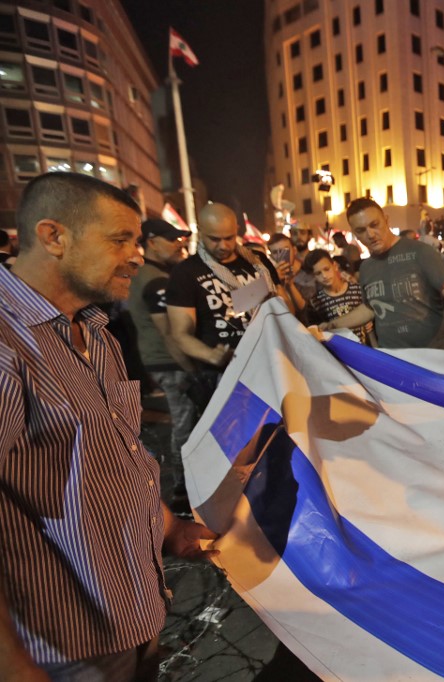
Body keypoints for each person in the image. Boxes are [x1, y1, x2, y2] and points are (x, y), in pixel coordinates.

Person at [0, 172, 217, 680]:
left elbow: (115, 464)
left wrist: (172, 529)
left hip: (132, 619)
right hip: (61, 651)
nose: (137, 255)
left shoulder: (95, 334)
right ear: (54, 236)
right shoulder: (7, 345)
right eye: (120, 239)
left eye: (138, 241)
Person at [166, 203, 285, 407]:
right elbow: (180, 333)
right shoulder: (185, 273)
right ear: (200, 232)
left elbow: (283, 309)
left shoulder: (258, 262)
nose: (222, 246)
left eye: (229, 238)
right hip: (223, 374)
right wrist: (211, 355)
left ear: (237, 230)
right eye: (214, 239)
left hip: (268, 363)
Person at [322, 198, 444, 349]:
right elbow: (370, 307)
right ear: (355, 234)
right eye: (361, 230)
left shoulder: (421, 252)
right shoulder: (366, 267)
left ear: (386, 220)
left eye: (374, 225)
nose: (370, 234)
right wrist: (333, 325)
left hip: (432, 358)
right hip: (392, 360)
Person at [126, 218, 195, 499]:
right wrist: (191, 367)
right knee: (185, 423)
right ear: (151, 242)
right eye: (172, 239)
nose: (179, 244)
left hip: (162, 358)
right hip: (170, 360)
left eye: (180, 239)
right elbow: (171, 333)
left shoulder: (151, 274)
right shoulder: (156, 281)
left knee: (184, 420)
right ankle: (183, 487)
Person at [303, 248, 374, 344]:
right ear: (313, 276)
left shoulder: (357, 290)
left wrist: (371, 323)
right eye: (318, 273)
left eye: (326, 269)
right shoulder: (315, 302)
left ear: (335, 265)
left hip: (365, 348)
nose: (324, 276)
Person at [267, 232, 314, 318]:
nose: (280, 255)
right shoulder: (270, 278)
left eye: (285, 250)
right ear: (271, 256)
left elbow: (307, 310)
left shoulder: (309, 273)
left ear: (294, 250)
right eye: (275, 252)